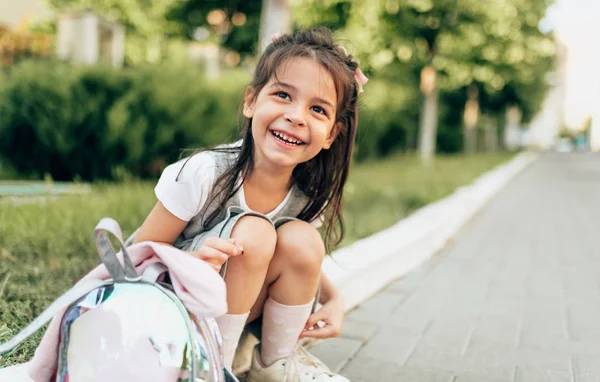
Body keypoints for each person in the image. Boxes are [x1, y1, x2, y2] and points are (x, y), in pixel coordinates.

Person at [133, 27, 367, 382]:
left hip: (235, 317)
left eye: (318, 109)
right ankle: (212, 371)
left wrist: (335, 300)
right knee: (255, 232)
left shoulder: (307, 194)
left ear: (331, 135)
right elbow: (138, 255)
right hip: (175, 310)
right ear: (251, 101)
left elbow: (303, 263)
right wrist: (189, 264)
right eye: (283, 95)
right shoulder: (205, 173)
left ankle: (273, 367)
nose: (297, 115)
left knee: (304, 240)